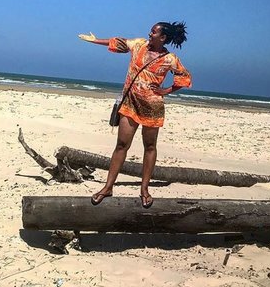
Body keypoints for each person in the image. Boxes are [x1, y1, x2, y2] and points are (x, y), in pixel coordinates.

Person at [78, 21, 192, 208]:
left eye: (154, 32)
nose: (150, 33)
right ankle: (107, 187)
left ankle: (144, 189)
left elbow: (184, 77)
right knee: (122, 144)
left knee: (149, 147)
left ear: (162, 37)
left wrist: (165, 90)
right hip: (130, 103)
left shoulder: (170, 59)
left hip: (152, 107)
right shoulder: (139, 44)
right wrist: (95, 40)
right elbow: (119, 42)